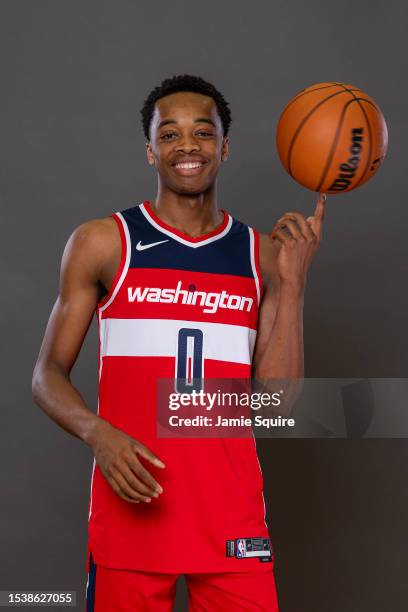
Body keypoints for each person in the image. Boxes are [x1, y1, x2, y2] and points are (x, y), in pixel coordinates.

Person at [32, 74, 326, 611]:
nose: (187, 146)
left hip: (231, 521)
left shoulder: (259, 255)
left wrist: (293, 285)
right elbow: (46, 374)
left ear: (224, 146)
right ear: (150, 151)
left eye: (203, 133)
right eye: (169, 135)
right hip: (131, 516)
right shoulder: (104, 242)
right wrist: (98, 434)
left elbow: (276, 404)